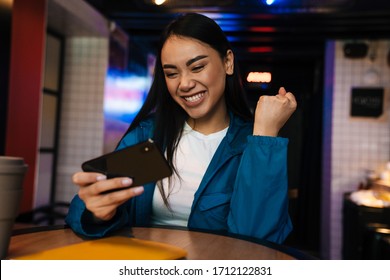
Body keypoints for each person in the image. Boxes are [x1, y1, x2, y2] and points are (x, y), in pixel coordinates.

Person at [65, 13, 297, 244]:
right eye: (172, 73)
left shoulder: (252, 145)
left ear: (228, 62)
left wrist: (265, 134)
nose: (184, 84)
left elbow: (257, 241)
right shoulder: (151, 137)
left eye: (197, 67)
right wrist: (96, 213)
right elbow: (84, 210)